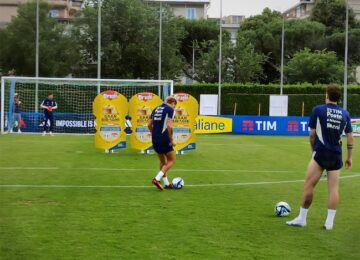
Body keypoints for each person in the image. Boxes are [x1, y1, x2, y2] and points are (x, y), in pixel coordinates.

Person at [286, 84, 354, 230]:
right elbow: (350, 138)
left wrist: (313, 151)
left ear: (327, 95)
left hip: (320, 152)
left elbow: (312, 135)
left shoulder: (318, 110)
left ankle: (302, 219)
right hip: (336, 154)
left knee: (309, 185)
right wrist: (349, 157)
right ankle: (329, 223)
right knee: (334, 189)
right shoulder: (345, 113)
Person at [148, 96, 177, 191]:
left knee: (163, 162)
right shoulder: (170, 109)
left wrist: (153, 134)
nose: (174, 108)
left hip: (155, 139)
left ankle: (167, 184)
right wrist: (171, 139)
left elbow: (148, 125)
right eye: (175, 105)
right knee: (171, 160)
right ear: (172, 102)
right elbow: (169, 126)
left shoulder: (156, 109)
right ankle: (156, 179)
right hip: (165, 138)